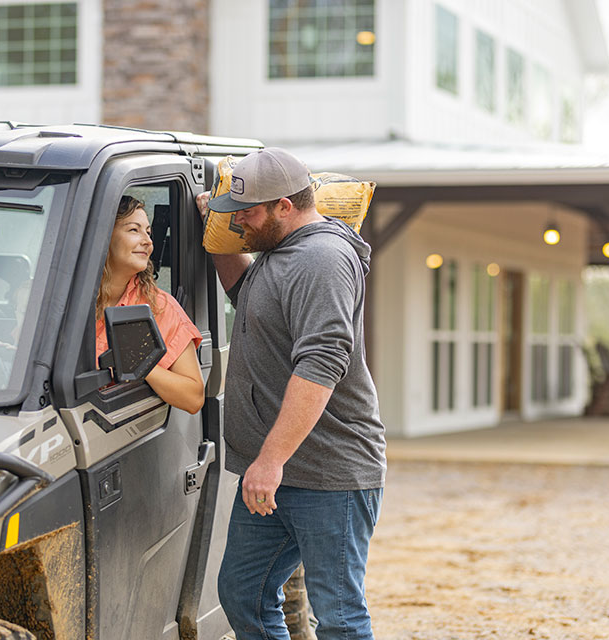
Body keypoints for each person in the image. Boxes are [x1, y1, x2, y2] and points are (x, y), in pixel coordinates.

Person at [196, 148, 386, 639]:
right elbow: (253, 301)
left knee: (340, 617)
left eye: (248, 213)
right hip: (281, 474)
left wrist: (270, 461)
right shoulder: (283, 254)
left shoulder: (322, 258)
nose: (239, 221)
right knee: (244, 594)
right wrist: (218, 237)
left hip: (327, 473)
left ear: (285, 205)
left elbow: (322, 363)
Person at [96, 195, 204, 414]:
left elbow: (194, 397)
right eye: (134, 230)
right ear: (103, 235)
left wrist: (140, 364)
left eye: (148, 232)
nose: (148, 241)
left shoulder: (160, 307)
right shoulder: (65, 297)